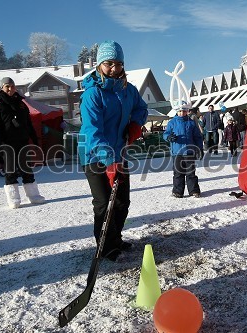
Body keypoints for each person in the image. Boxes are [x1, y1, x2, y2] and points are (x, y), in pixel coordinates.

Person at [78, 40, 148, 261]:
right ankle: (106, 247)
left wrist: (135, 124)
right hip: (93, 155)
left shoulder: (129, 90)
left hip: (119, 152)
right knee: (103, 202)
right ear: (99, 64)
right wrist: (107, 160)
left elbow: (141, 108)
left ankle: (115, 238)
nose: (114, 69)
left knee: (121, 201)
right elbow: (92, 131)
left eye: (118, 64)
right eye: (109, 63)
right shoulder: (92, 94)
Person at [0, 77, 45, 209]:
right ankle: (13, 199)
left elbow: (28, 124)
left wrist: (34, 138)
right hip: (6, 143)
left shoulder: (21, 104)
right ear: (2, 87)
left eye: (12, 86)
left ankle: (34, 196)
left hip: (22, 141)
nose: (10, 89)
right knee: (10, 171)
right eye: (7, 86)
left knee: (27, 169)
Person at [163, 102, 204, 198]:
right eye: (180, 111)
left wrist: (200, 149)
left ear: (187, 111)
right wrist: (168, 137)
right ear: (177, 112)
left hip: (189, 152)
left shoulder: (191, 123)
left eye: (184, 111)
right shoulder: (172, 123)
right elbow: (165, 134)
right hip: (177, 153)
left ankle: (193, 190)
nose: (182, 113)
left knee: (191, 173)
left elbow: (197, 137)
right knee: (178, 173)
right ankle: (178, 191)